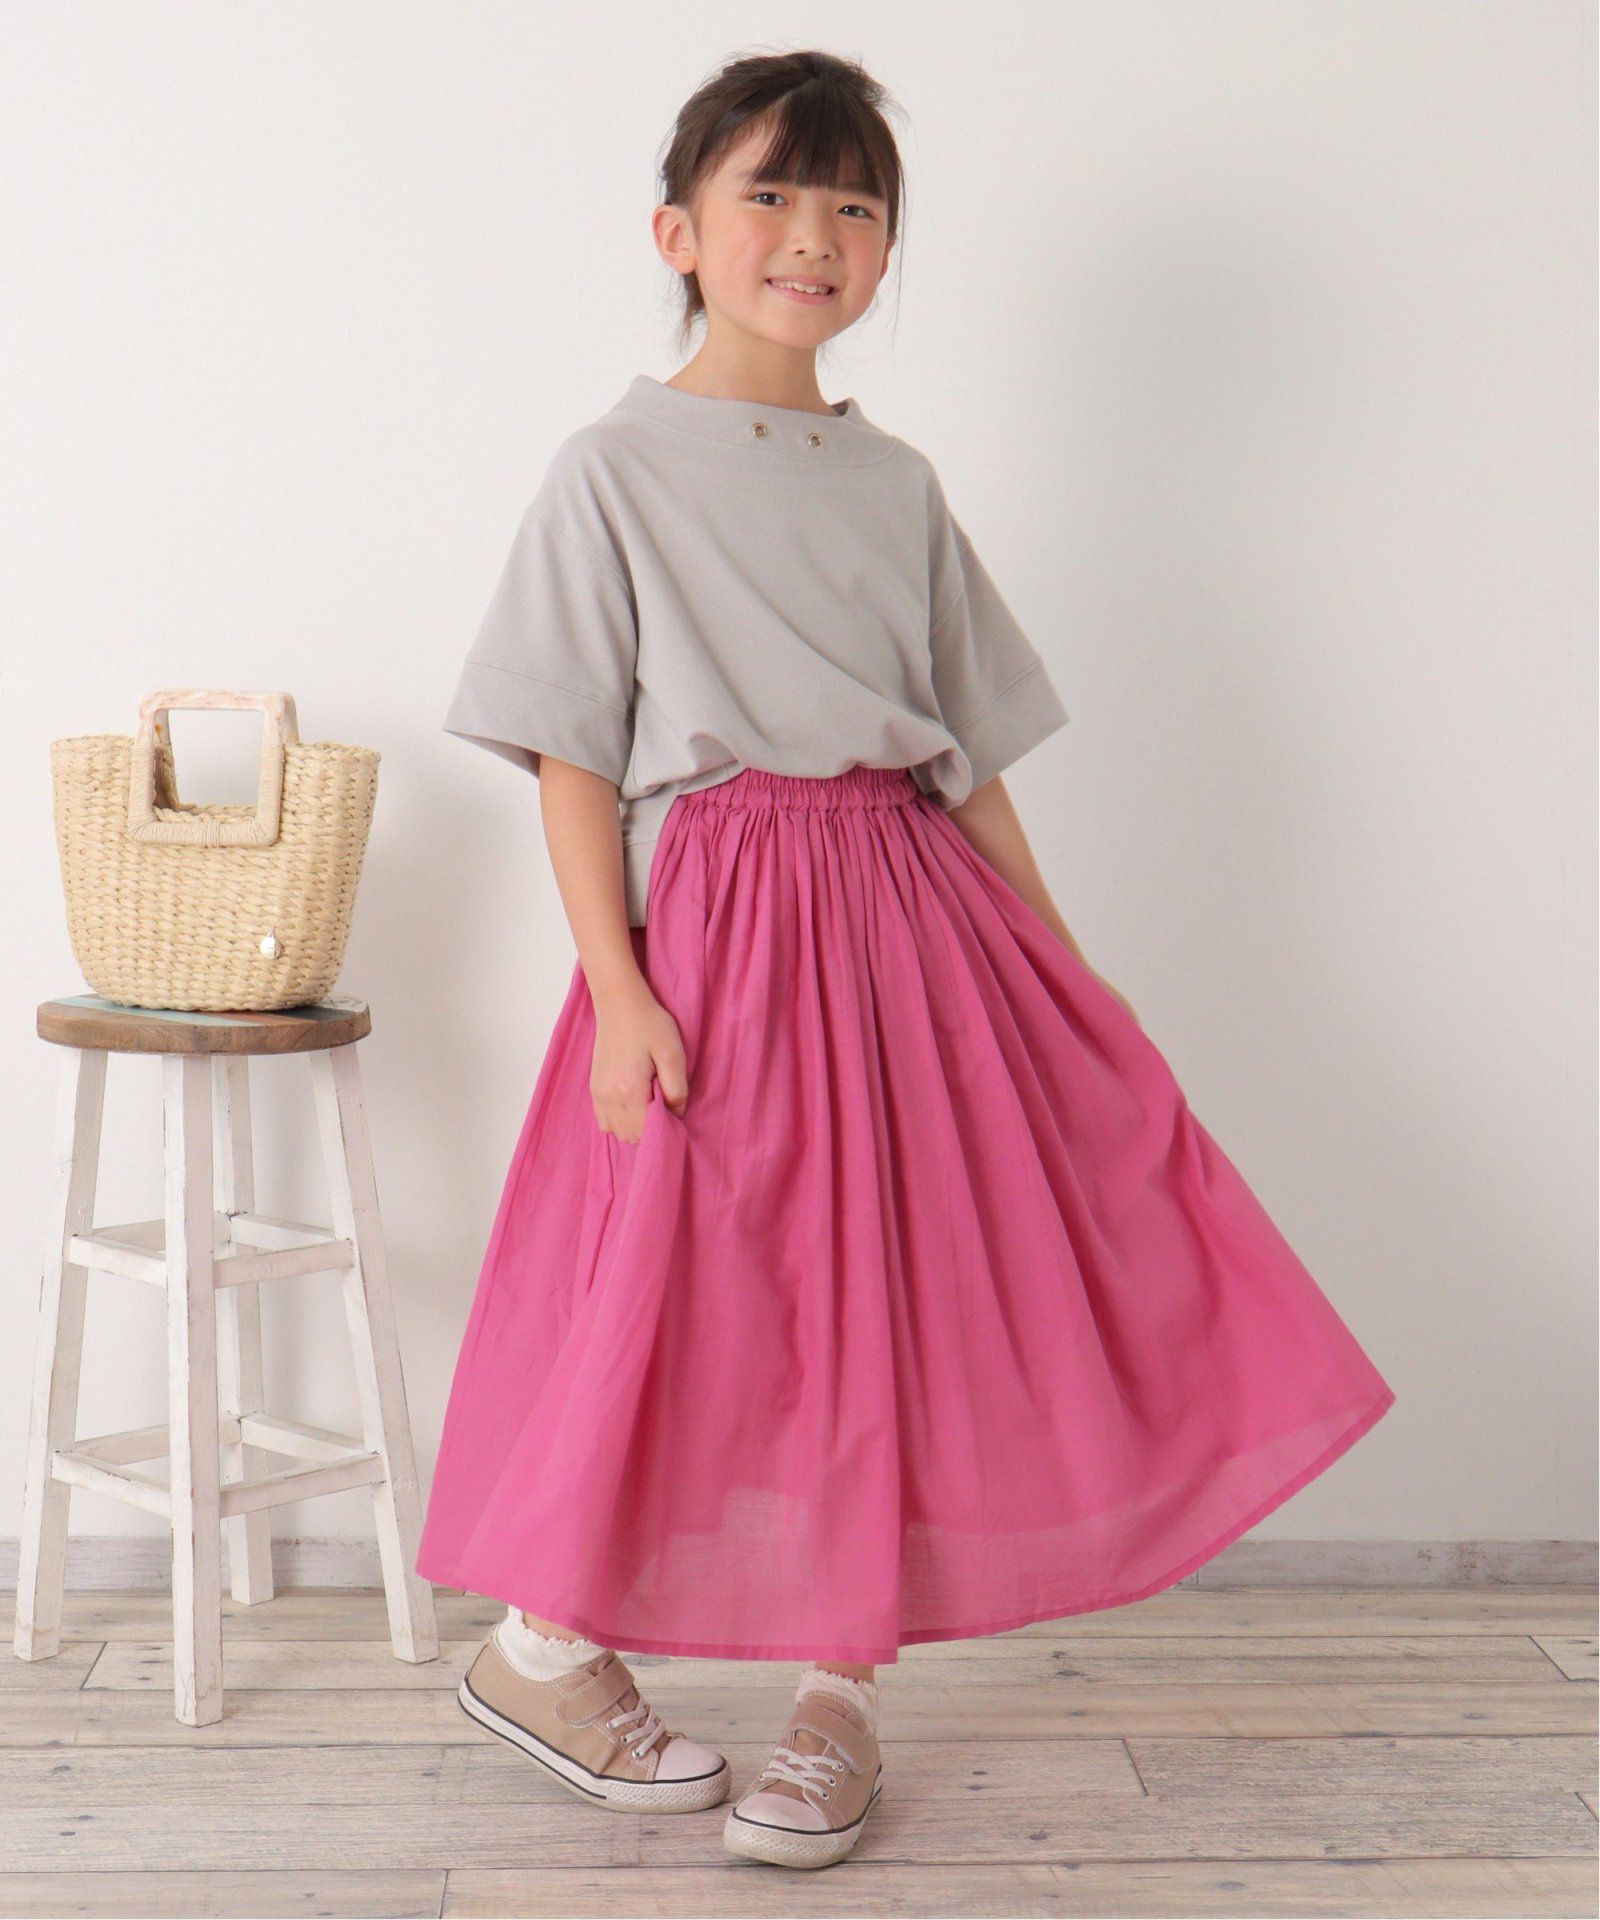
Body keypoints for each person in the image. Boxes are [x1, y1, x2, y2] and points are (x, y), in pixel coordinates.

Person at [414, 47, 1396, 1873]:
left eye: (856, 205)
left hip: (908, 922)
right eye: (774, 195)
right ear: (678, 234)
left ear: (886, 252)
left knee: (893, 1291)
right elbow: (572, 757)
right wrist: (620, 988)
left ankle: (839, 1692)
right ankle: (541, 1647)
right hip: (719, 927)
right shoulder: (613, 469)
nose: (815, 234)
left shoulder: (896, 485)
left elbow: (969, 761)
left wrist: (1071, 978)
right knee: (692, 1288)